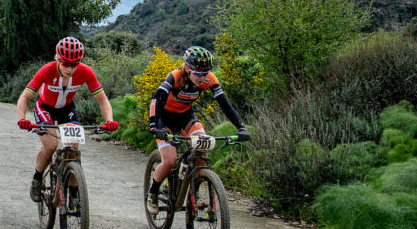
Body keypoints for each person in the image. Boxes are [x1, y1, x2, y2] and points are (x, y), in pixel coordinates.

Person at [146, 46, 251, 214]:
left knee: (203, 146)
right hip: (164, 119)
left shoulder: (210, 79)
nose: (202, 78)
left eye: (206, 73)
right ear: (187, 69)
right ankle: (153, 192)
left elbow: (225, 105)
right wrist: (154, 126)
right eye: (198, 73)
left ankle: (196, 189)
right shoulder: (175, 77)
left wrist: (241, 127)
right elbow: (156, 101)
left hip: (186, 117)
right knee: (170, 160)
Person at [16, 36, 120, 202]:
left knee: (73, 150)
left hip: (67, 109)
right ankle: (37, 178)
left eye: (74, 64)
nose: (70, 68)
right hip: (45, 108)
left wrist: (109, 120)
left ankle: (72, 193)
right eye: (65, 63)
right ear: (57, 58)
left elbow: (102, 99)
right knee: (51, 146)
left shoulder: (85, 72)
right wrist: (22, 118)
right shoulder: (47, 70)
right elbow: (25, 97)